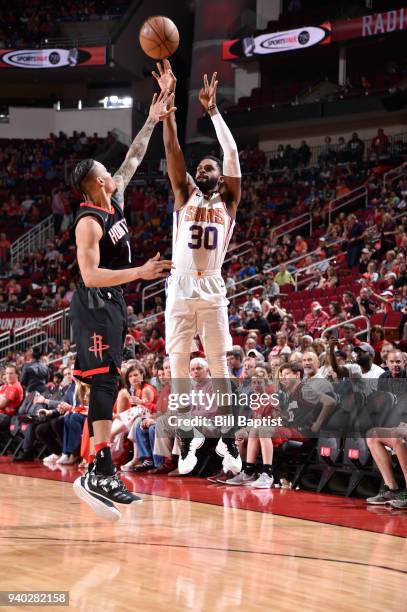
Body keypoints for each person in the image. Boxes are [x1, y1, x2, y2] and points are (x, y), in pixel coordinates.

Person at [70, 90, 174, 522]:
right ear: (97, 183)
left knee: (108, 381)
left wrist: (151, 119)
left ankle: (102, 470)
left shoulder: (113, 201)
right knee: (103, 384)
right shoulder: (88, 222)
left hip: (112, 302)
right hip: (96, 300)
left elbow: (132, 158)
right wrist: (140, 272)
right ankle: (99, 469)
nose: (115, 174)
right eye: (106, 173)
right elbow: (90, 275)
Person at [153, 59, 242, 475]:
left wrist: (213, 111)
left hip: (212, 289)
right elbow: (172, 152)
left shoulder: (228, 201)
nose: (203, 171)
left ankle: (227, 443)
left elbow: (231, 152)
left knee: (221, 367)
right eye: (200, 168)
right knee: (178, 372)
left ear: (220, 179)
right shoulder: (184, 195)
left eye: (209, 169)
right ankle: (188, 445)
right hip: (180, 288)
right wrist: (169, 108)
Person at [0, 365, 24, 432]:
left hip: (6, 417)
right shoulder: (7, 385)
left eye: (11, 373)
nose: (8, 376)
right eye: (7, 373)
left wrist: (2, 396)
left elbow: (1, 404)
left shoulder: (15, 387)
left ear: (17, 375)